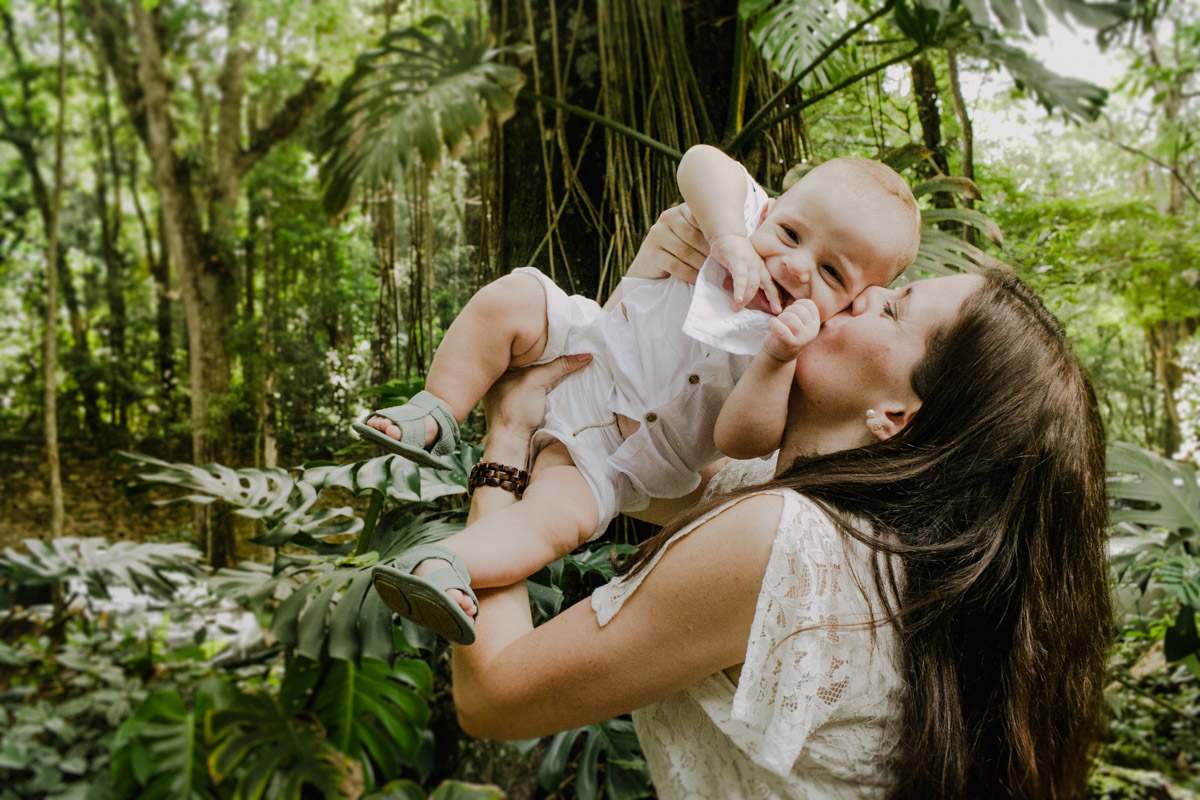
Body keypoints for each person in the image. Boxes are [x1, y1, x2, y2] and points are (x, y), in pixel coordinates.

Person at [446, 261, 1112, 798]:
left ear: (895, 414)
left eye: (892, 310)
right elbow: (621, 462)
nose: (865, 293)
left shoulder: (786, 543)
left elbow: (494, 696)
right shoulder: (852, 528)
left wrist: (506, 437)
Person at [362, 147, 922, 643]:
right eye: (792, 235)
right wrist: (728, 234)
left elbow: (740, 441)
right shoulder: (741, 222)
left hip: (610, 462)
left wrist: (776, 358)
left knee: (557, 521)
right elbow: (701, 161)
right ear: (771, 209)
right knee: (513, 297)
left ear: (853, 303)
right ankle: (435, 410)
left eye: (831, 273)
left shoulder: (800, 352)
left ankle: (444, 564)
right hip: (588, 349)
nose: (796, 266)